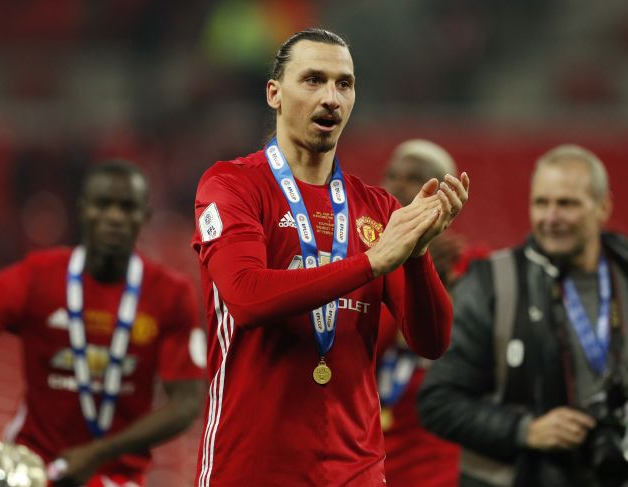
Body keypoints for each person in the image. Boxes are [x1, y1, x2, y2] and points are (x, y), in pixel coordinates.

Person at [191, 28, 470, 486]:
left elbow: (431, 341)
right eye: (313, 80)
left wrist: (417, 255)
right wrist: (370, 263)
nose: (331, 98)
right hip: (250, 468)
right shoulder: (232, 186)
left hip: (354, 470)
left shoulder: (377, 209)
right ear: (274, 94)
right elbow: (245, 297)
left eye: (345, 84)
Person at [418, 144, 628, 487]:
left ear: (603, 207)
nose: (550, 217)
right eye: (541, 203)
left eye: (567, 204)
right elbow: (437, 402)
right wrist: (526, 430)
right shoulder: (491, 284)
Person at [0, 161, 206, 487]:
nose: (114, 217)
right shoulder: (38, 276)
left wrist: (98, 452)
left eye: (127, 207)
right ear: (83, 210)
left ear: (144, 217)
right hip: (30, 469)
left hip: (118, 476)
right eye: (103, 205)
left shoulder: (171, 294)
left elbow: (187, 401)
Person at [377, 139, 487, 487]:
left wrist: (429, 279)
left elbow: (468, 353)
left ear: (448, 192)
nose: (397, 185)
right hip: (366, 453)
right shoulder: (366, 258)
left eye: (415, 177)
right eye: (392, 175)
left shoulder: (472, 267)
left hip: (437, 460)